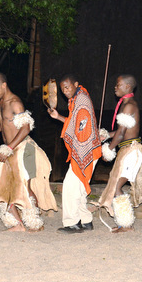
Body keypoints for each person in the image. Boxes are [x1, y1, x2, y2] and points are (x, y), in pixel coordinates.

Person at [0, 72, 57, 231]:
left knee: (24, 186)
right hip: (9, 150)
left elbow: (26, 128)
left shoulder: (15, 103)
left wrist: (10, 147)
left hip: (22, 148)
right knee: (4, 187)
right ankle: (18, 224)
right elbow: (2, 125)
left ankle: (34, 222)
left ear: (3, 85)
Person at [97, 74, 142, 233]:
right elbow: (121, 131)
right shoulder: (127, 104)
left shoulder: (129, 106)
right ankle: (124, 223)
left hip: (132, 150)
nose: (115, 87)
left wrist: (108, 149)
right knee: (117, 186)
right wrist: (107, 135)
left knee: (117, 186)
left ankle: (126, 225)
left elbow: (121, 134)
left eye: (118, 84)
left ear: (128, 87)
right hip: (127, 149)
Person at [48, 74, 102, 233]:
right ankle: (86, 221)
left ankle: (72, 223)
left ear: (76, 84)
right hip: (90, 150)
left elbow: (82, 129)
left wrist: (80, 150)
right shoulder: (77, 100)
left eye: (67, 87)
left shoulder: (81, 100)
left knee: (70, 186)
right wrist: (57, 116)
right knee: (79, 188)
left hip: (86, 151)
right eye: (62, 88)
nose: (65, 91)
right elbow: (74, 124)